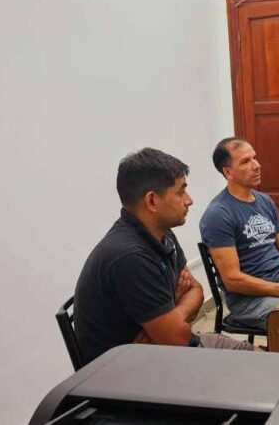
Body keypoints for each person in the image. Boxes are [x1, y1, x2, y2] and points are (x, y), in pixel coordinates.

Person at [75, 148, 255, 364]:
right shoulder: (130, 257)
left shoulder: (162, 234)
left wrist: (172, 318)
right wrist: (172, 318)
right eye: (181, 192)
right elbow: (178, 339)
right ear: (152, 201)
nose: (189, 200)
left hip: (162, 351)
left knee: (265, 361)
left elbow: (196, 290)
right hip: (134, 373)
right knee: (255, 375)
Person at [199, 138, 279, 330]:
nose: (257, 165)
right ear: (228, 172)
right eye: (245, 161)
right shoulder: (218, 214)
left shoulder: (265, 201)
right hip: (250, 300)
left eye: (255, 158)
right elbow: (233, 279)